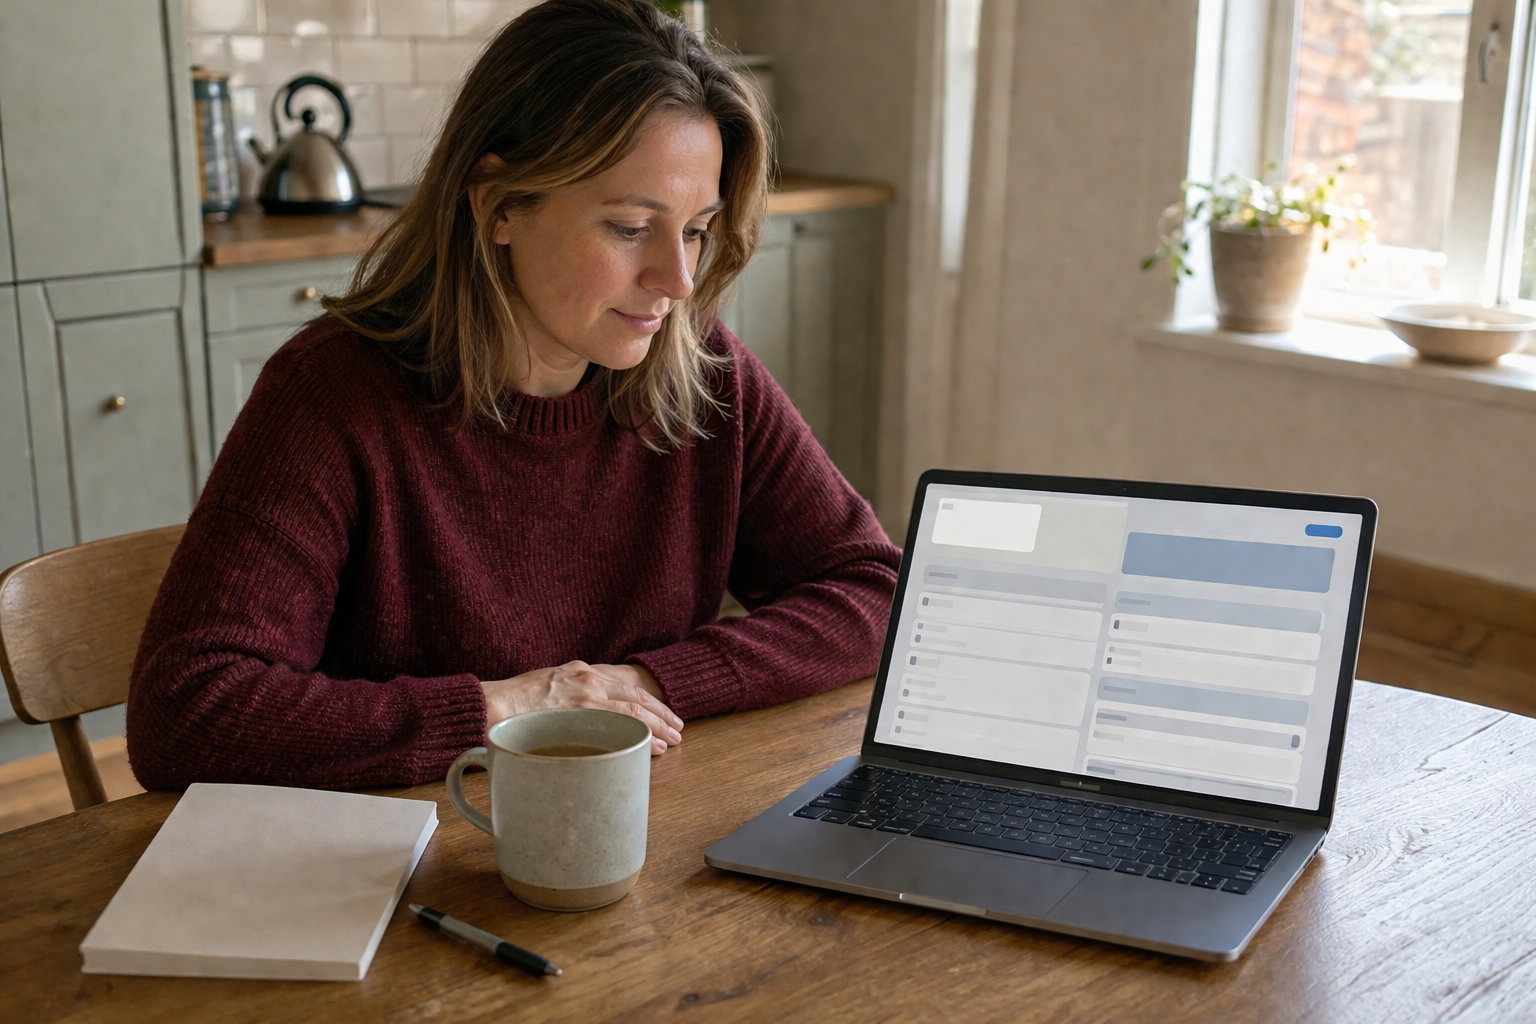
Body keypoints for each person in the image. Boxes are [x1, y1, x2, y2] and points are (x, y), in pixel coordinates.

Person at [127, 0, 901, 791]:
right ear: (498, 205)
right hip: (413, 864)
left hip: (638, 836)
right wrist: (509, 708)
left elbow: (874, 588)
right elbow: (186, 715)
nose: (679, 280)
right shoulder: (332, 395)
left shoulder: (700, 369)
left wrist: (648, 684)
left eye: (697, 228)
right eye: (632, 227)